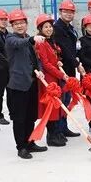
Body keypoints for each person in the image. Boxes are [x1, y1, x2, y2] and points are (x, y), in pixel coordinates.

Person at [5, 9, 47, 159]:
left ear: (26, 24)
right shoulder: (10, 39)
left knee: (31, 116)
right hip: (18, 85)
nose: (19, 26)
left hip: (32, 83)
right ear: (12, 26)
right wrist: (32, 39)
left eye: (22, 23)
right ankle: (21, 147)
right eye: (16, 24)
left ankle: (30, 142)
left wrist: (39, 70)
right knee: (20, 118)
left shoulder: (28, 39)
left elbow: (36, 59)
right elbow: (19, 43)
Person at [34, 14, 67, 147]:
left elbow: (52, 58)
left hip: (55, 78)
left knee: (57, 106)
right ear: (40, 29)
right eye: (45, 27)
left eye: (50, 26)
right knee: (51, 108)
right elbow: (46, 64)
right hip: (49, 79)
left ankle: (57, 132)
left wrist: (58, 62)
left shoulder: (50, 41)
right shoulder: (41, 42)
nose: (49, 29)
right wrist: (61, 75)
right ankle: (51, 136)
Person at [53, 0, 81, 138]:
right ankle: (57, 130)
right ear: (60, 12)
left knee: (67, 100)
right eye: (66, 11)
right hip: (62, 69)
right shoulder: (57, 28)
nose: (69, 14)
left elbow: (73, 48)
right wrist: (77, 64)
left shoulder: (69, 27)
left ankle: (64, 128)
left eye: (71, 12)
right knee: (62, 100)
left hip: (70, 68)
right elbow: (64, 49)